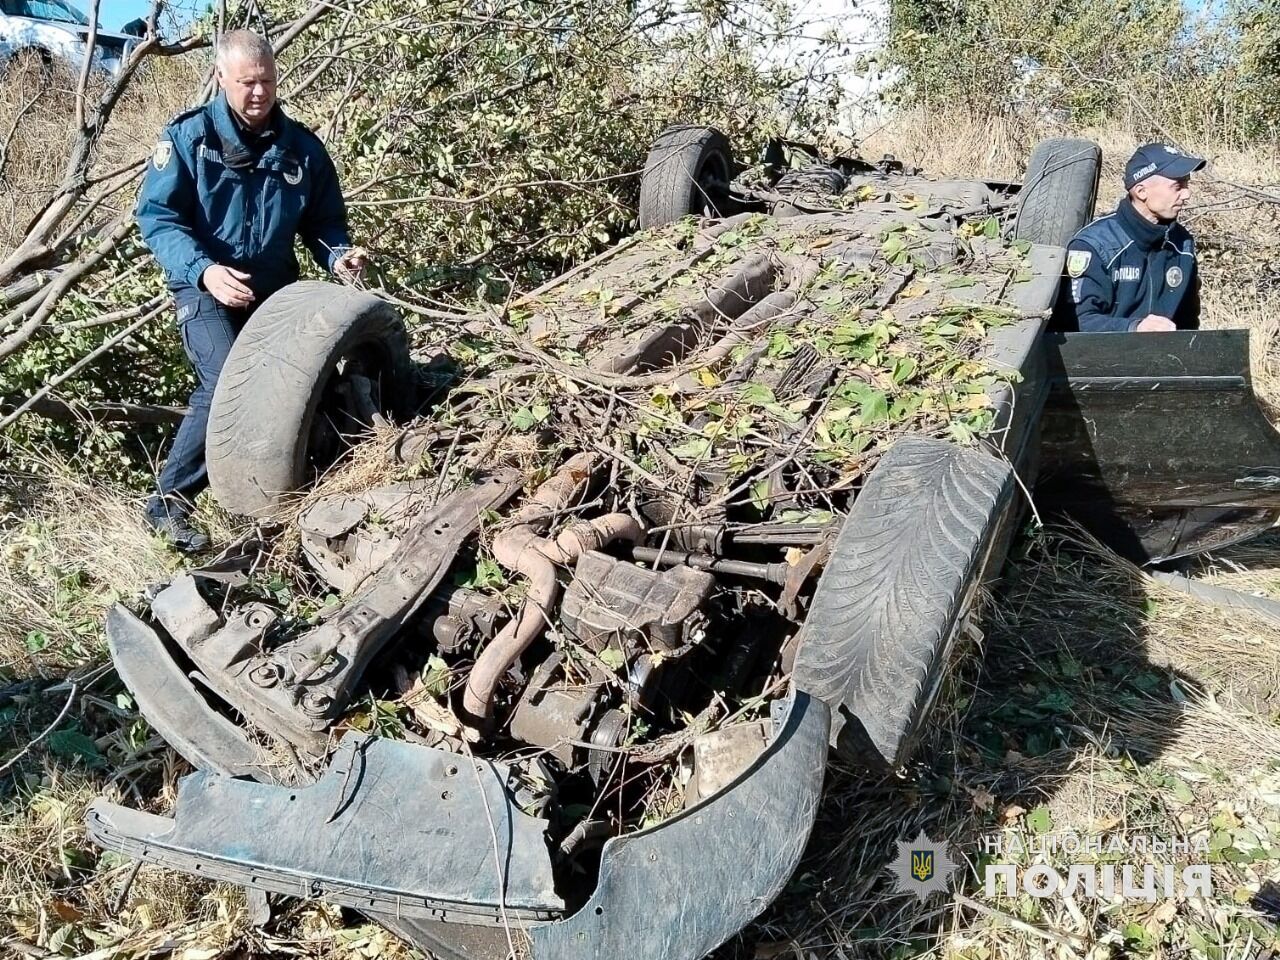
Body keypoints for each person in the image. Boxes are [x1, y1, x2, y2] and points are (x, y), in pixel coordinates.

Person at [136, 29, 368, 551]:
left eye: (266, 81)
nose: (259, 92)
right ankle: (168, 504)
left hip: (273, 292)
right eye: (246, 83)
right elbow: (158, 218)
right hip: (204, 289)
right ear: (221, 78)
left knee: (299, 384)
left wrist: (339, 255)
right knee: (225, 386)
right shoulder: (188, 139)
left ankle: (284, 498)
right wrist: (203, 270)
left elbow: (324, 221)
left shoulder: (303, 149)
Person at [1057, 143, 1205, 333]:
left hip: (1164, 359)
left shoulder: (1182, 244)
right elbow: (1076, 323)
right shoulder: (1093, 245)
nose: (1187, 194)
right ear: (1141, 191)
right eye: (1177, 186)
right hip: (1100, 359)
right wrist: (1133, 328)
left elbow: (1188, 324)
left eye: (1187, 184)